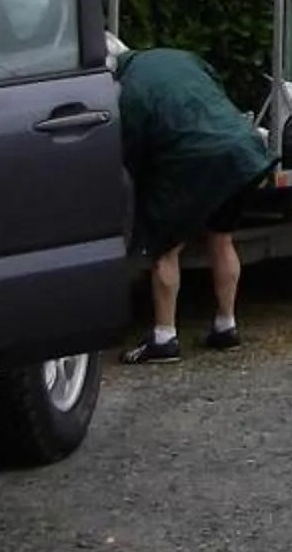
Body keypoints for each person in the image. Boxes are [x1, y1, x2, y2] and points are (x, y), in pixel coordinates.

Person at [115, 42, 275, 362]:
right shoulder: (184, 58)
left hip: (190, 161)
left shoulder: (128, 87)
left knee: (165, 246)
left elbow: (132, 151)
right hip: (239, 151)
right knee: (221, 239)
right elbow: (216, 90)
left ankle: (164, 337)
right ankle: (225, 326)